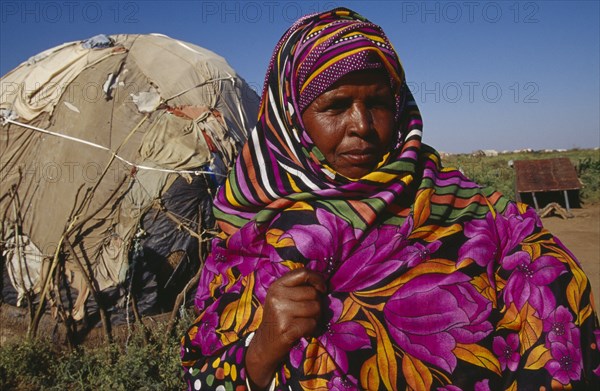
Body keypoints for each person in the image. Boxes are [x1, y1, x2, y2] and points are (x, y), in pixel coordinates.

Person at [181, 8, 600, 390]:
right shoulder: (248, 230)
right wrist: (260, 351)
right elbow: (200, 372)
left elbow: (560, 334)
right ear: (290, 117)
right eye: (336, 105)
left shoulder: (480, 216)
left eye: (379, 103)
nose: (361, 124)